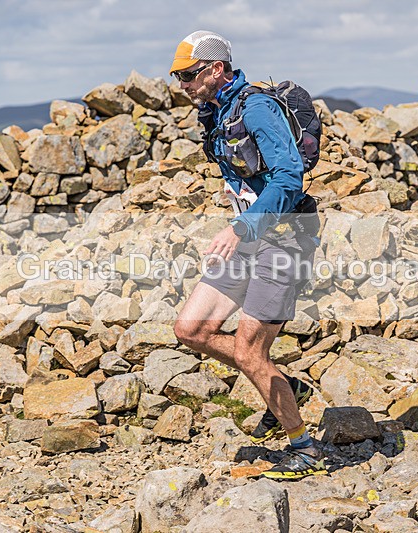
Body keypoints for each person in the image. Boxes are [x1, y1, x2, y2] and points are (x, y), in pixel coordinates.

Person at [170, 30, 325, 480]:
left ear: (216, 69)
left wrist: (240, 227)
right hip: (251, 239)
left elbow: (289, 178)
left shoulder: (256, 108)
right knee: (190, 328)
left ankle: (305, 449)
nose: (182, 84)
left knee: (249, 350)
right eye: (178, 77)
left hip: (284, 239)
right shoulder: (218, 113)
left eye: (189, 75)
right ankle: (285, 386)